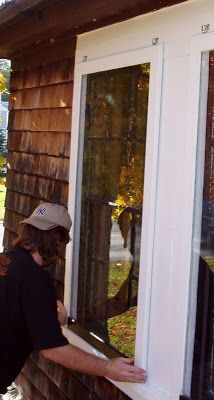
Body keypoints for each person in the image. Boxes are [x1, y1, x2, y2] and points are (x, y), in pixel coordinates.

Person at [0, 202, 146, 395]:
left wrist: (47, 321)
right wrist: (108, 367)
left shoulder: (6, 261)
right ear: (57, 239)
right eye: (65, 241)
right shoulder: (34, 277)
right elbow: (52, 350)